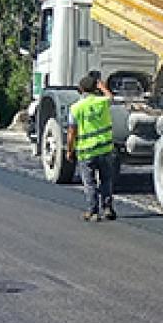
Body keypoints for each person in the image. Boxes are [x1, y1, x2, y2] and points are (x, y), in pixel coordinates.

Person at [67, 74, 117, 222]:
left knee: (90, 183)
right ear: (95, 89)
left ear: (80, 90)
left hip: (86, 152)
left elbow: (71, 132)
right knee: (106, 180)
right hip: (105, 149)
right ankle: (107, 208)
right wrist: (103, 87)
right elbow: (111, 98)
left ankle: (93, 211)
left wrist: (69, 150)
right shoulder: (102, 102)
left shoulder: (76, 108)